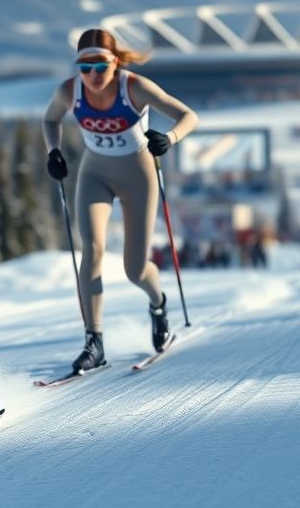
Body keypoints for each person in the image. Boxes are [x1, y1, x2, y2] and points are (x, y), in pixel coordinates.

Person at [43, 28, 199, 371]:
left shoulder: (134, 87)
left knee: (134, 268)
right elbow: (50, 118)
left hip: (137, 176)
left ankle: (158, 303)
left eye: (101, 66)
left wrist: (170, 138)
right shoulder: (70, 91)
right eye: (85, 67)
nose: (93, 75)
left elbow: (188, 116)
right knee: (93, 251)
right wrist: (53, 151)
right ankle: (93, 340)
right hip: (94, 174)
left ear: (115, 62)